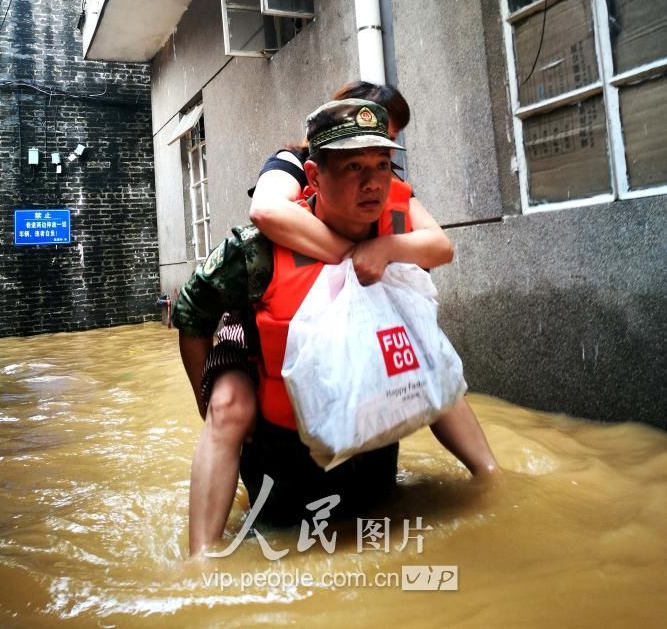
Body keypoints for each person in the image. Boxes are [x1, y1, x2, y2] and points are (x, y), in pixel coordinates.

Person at [174, 98, 498, 555]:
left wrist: (388, 250)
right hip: (283, 452)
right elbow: (189, 313)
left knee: (429, 356)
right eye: (352, 168)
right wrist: (203, 400)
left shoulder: (400, 226)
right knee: (228, 406)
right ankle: (202, 561)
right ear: (314, 177)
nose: (372, 183)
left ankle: (495, 481)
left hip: (369, 441)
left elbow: (441, 248)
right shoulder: (258, 250)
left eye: (381, 165)